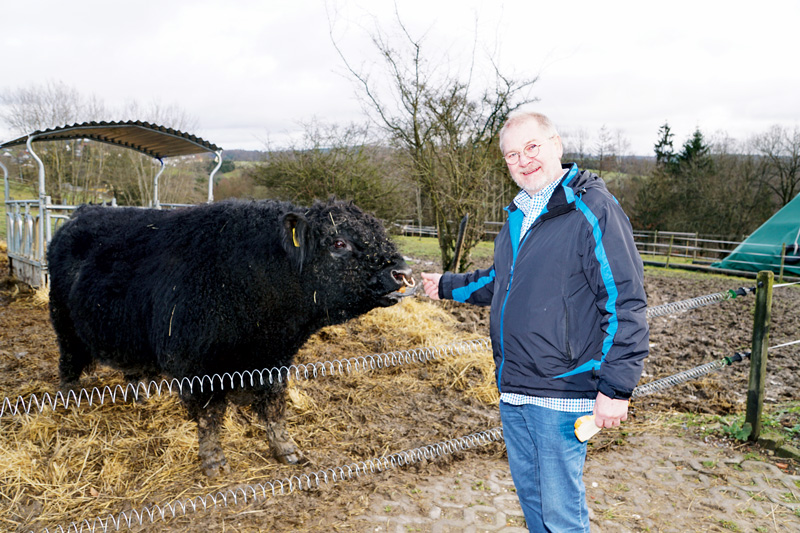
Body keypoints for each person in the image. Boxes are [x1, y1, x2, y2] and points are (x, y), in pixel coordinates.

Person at [421, 109, 649, 532]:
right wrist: (447, 285)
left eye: (532, 147)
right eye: (511, 155)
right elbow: (501, 281)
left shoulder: (592, 208)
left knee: (561, 515)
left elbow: (624, 299)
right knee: (535, 509)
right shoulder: (517, 215)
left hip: (562, 389)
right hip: (515, 389)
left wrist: (617, 386)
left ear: (556, 145)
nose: (523, 161)